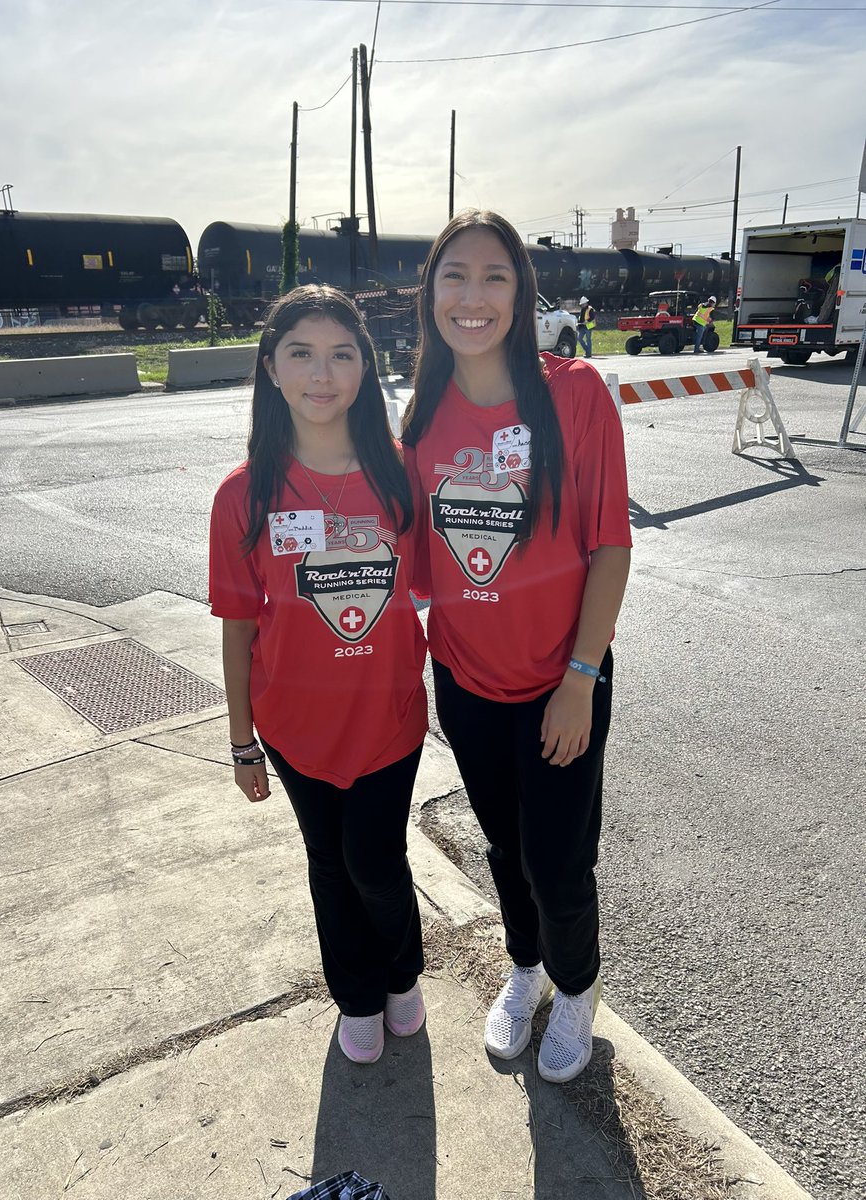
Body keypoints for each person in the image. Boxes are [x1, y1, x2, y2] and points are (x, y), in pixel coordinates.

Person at [402, 210, 632, 1084]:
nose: (473, 296)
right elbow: (412, 565)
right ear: (430, 295)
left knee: (559, 857)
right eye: (454, 276)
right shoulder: (421, 419)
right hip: (466, 680)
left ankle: (577, 985)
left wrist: (580, 676)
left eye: (495, 276)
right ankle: (528, 966)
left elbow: (610, 542)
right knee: (505, 846)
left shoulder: (572, 395)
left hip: (562, 680)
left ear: (521, 292)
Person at [209, 285, 429, 1066]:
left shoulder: (404, 475)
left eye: (342, 353)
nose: (322, 373)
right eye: (301, 353)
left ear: (365, 369)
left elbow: (454, 588)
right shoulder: (244, 495)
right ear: (271, 369)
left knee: (376, 860)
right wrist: (242, 745)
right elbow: (239, 630)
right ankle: (356, 996)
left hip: (388, 717)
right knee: (327, 866)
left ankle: (404, 974)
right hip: (293, 728)